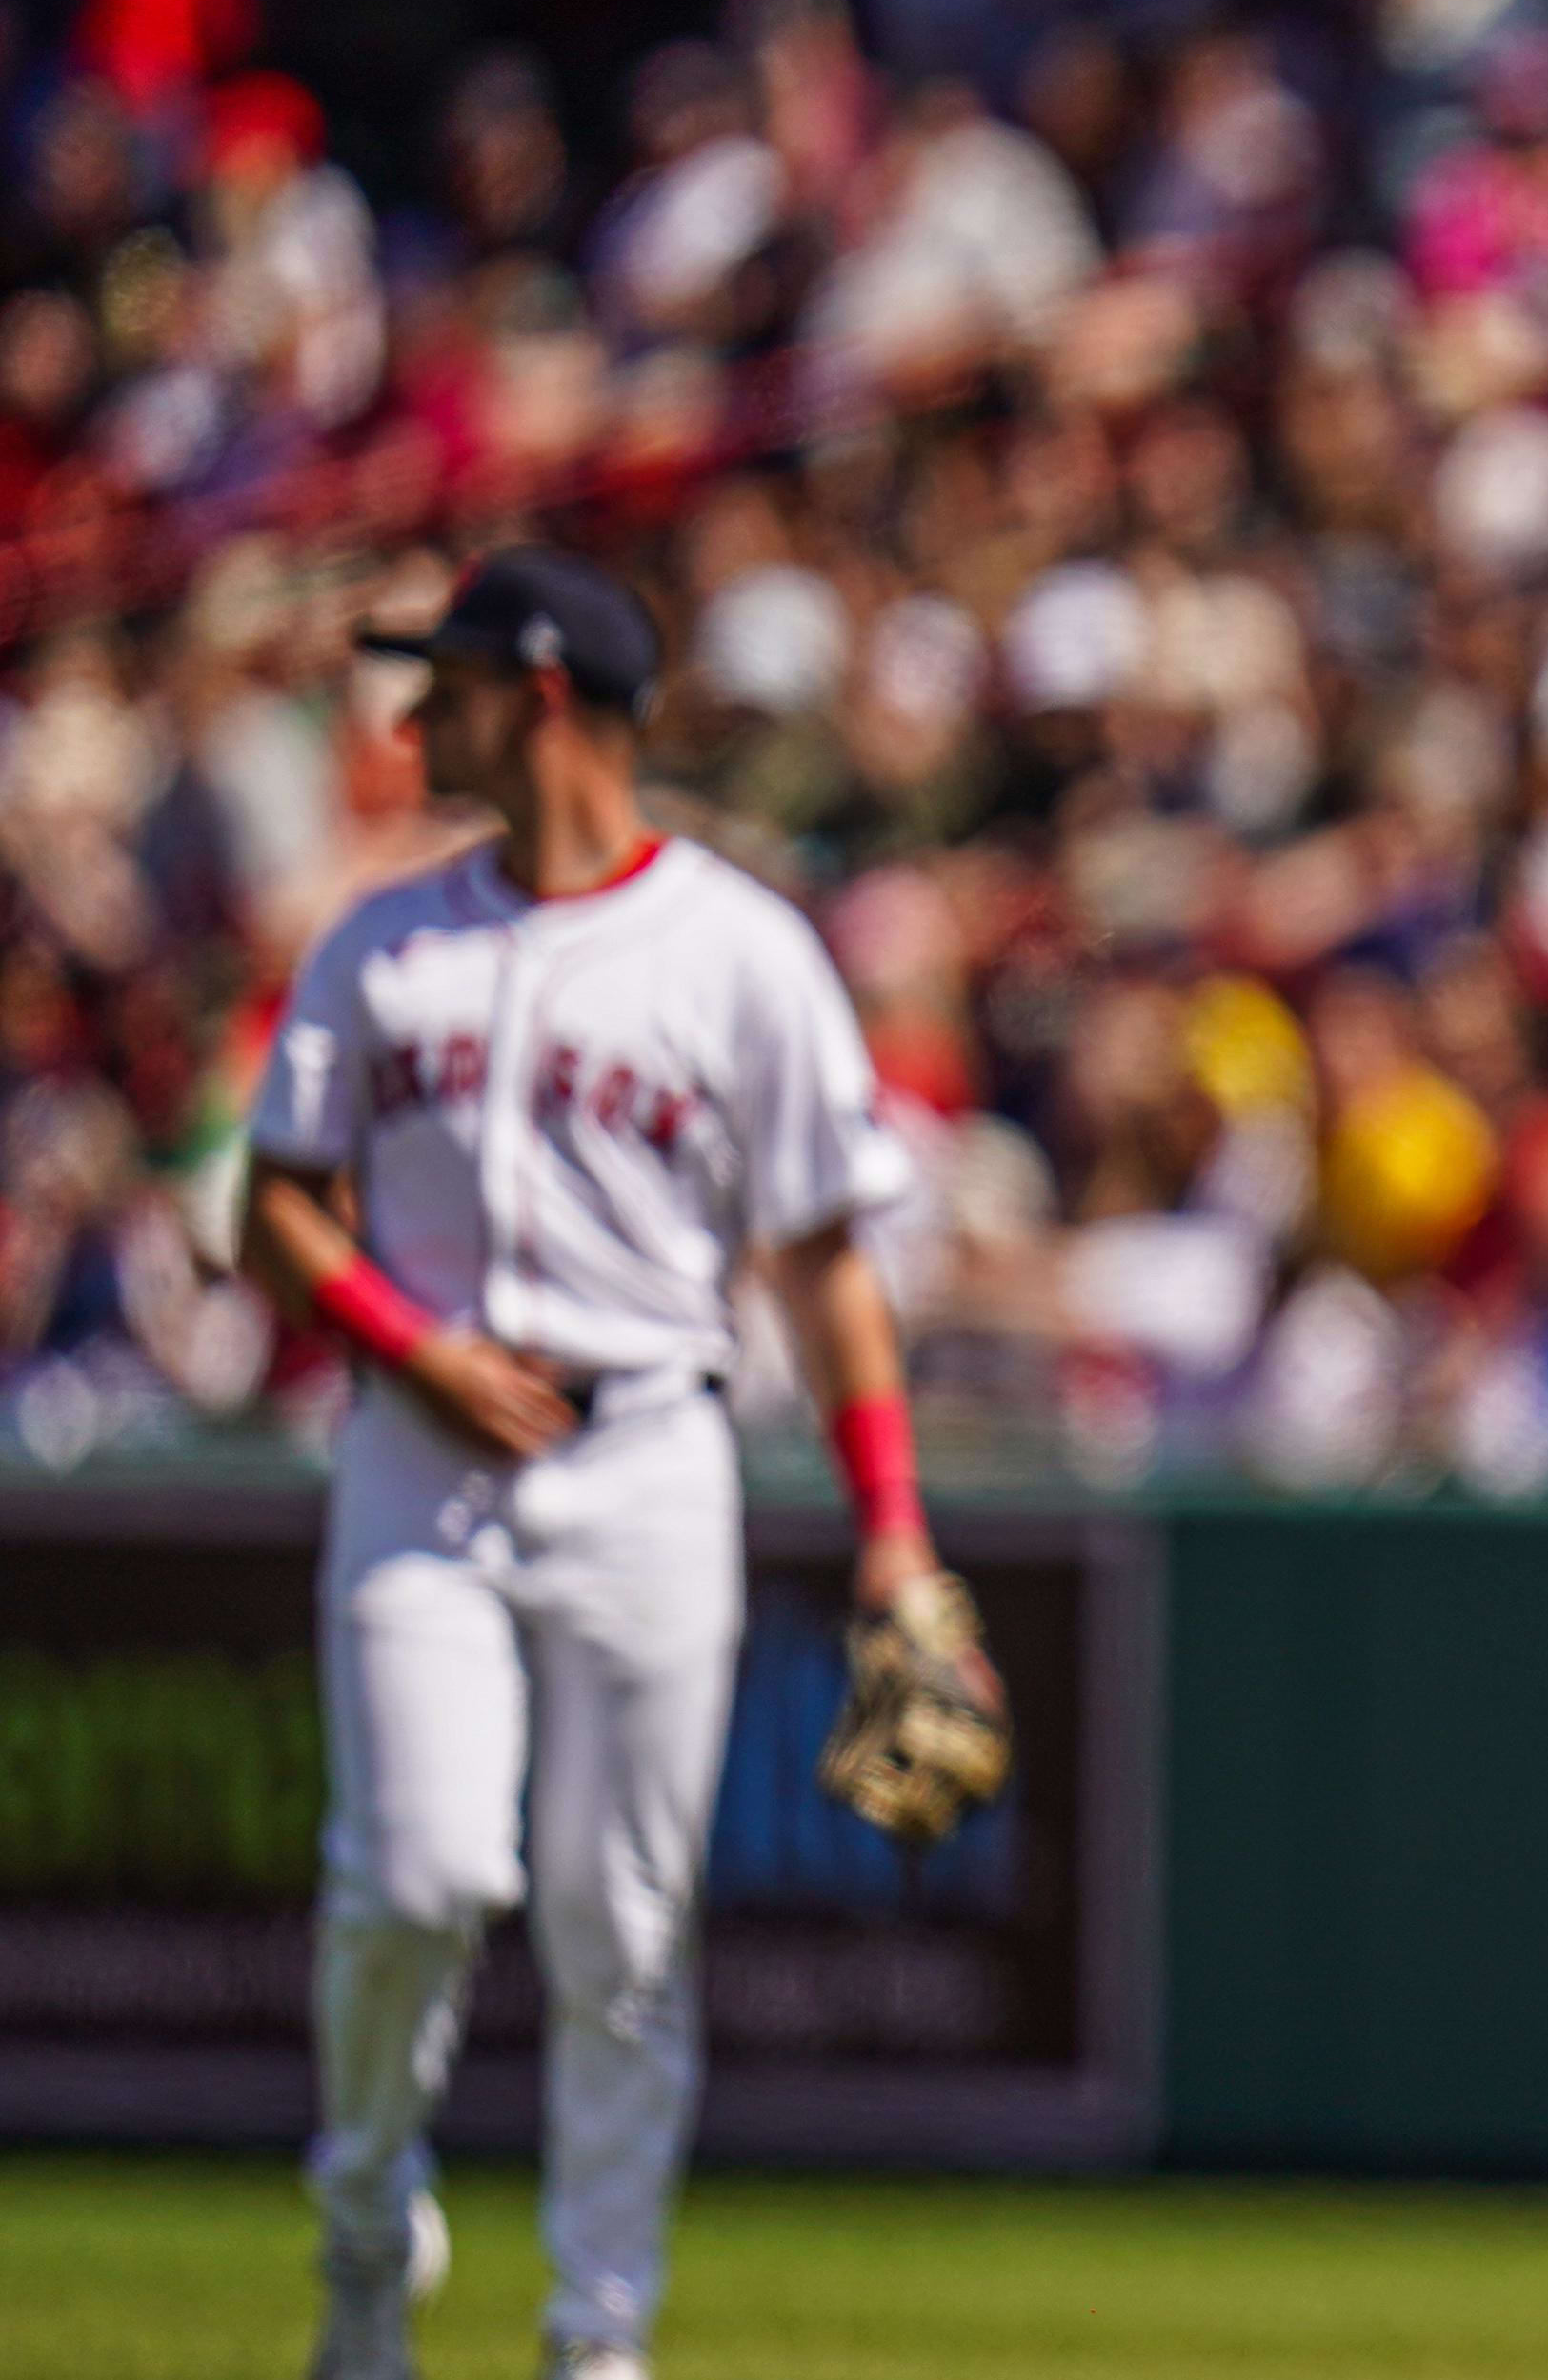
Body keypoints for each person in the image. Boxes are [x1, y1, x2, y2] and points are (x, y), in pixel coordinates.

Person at [240, 548, 989, 2380]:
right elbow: (274, 1203)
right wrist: (414, 1345)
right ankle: (361, 2235)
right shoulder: (382, 940)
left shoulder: (738, 950)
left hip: (653, 1452)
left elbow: (824, 1260)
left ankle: (600, 2336)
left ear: (547, 691)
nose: (418, 718)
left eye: (454, 682)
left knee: (625, 1928)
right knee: (414, 1877)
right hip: (421, 1457)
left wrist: (892, 1527)